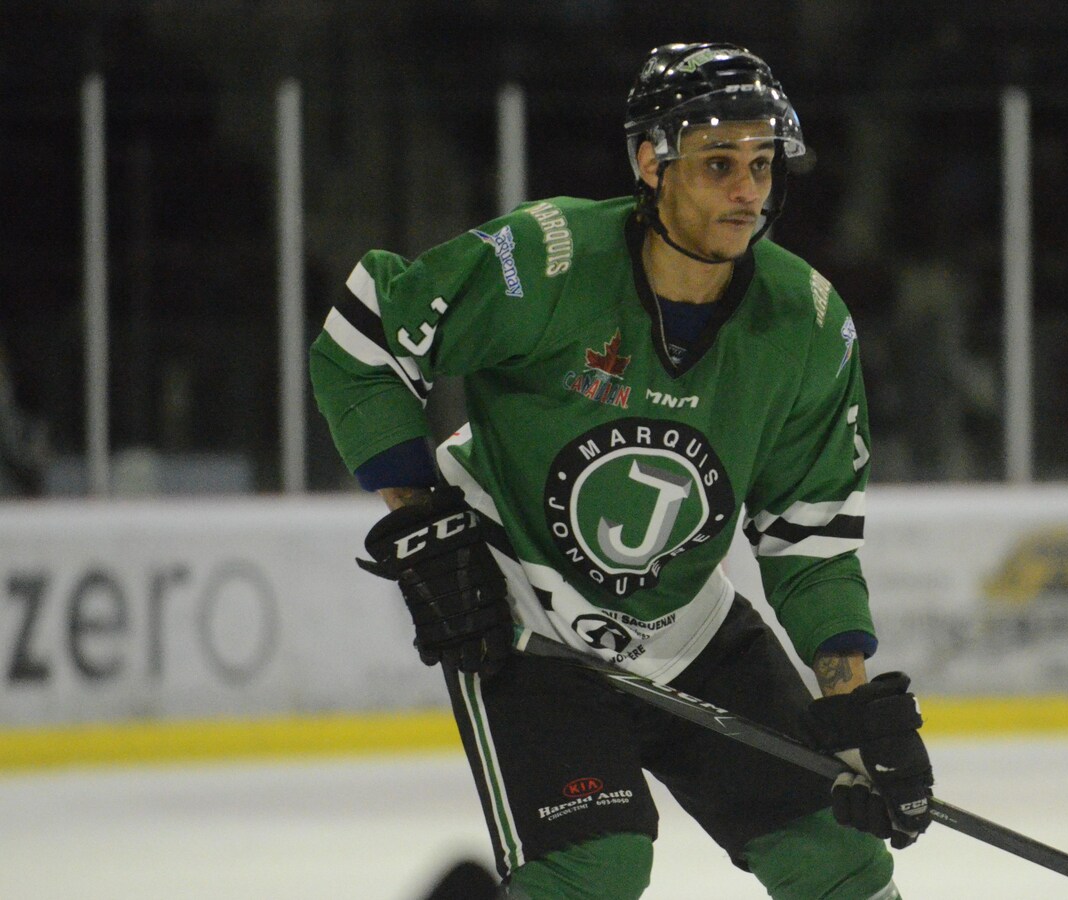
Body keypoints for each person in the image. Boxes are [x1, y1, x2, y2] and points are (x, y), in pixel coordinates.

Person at [309, 43, 931, 900]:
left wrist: (852, 711)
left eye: (761, 163)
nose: (749, 192)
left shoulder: (809, 323)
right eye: (719, 164)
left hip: (687, 623)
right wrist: (420, 523)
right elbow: (364, 337)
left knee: (835, 857)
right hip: (526, 614)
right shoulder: (548, 261)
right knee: (595, 869)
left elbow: (810, 534)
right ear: (650, 161)